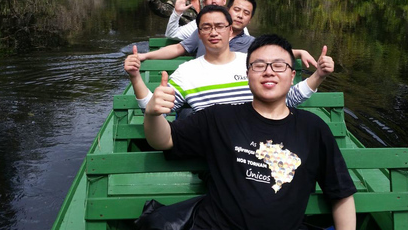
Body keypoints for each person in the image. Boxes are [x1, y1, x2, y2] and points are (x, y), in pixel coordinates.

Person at [141, 33, 357, 229]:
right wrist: (152, 115)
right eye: (259, 65)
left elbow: (341, 193)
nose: (269, 71)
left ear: (292, 76)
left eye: (279, 65)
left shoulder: (313, 128)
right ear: (247, 75)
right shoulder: (219, 117)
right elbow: (165, 140)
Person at [124, 5, 332, 115]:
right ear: (199, 33)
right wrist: (135, 77)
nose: (213, 32)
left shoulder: (253, 64)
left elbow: (288, 99)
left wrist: (319, 75)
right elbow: (156, 111)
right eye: (206, 27)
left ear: (230, 30)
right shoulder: (186, 72)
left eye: (220, 26)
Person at [137, 0, 317, 69]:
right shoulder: (206, 32)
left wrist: (300, 52)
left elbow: (273, 52)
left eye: (246, 13)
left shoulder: (250, 43)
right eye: (236, 10)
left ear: (250, 19)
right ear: (228, 10)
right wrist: (145, 56)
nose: (240, 16)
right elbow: (177, 48)